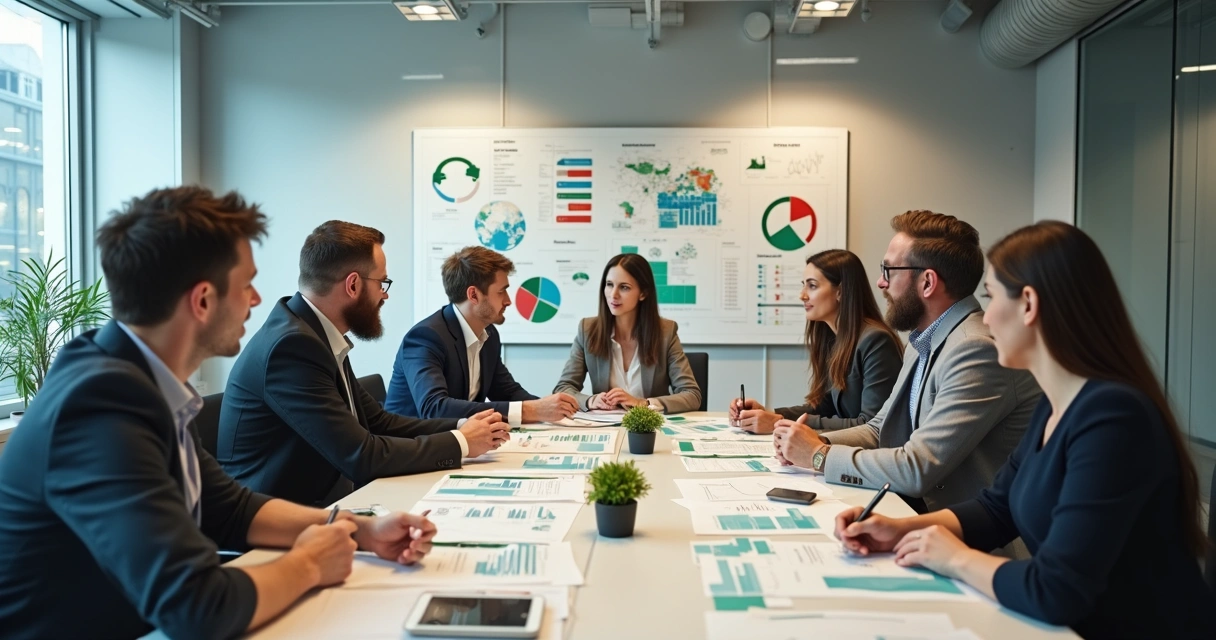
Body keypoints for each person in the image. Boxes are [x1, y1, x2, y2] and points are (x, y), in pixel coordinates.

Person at [0, 187, 439, 640]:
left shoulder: (137, 380)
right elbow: (197, 607)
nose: (255, 299)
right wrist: (308, 563)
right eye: (246, 282)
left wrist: (358, 531)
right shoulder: (99, 406)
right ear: (203, 300)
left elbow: (229, 509)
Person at [834, 221, 1216, 638]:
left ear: (1029, 304)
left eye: (992, 296)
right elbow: (997, 510)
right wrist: (901, 529)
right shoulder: (1057, 404)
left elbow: (1057, 589)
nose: (985, 316)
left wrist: (952, 557)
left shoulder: (1115, 419)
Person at [219, 222, 507, 507]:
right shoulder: (292, 346)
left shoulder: (315, 334)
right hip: (280, 521)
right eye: (382, 283)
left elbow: (379, 422)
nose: (386, 295)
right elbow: (359, 455)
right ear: (353, 284)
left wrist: (463, 425)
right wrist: (461, 442)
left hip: (327, 502)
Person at [773, 210, 1041, 513]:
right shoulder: (923, 340)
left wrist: (818, 455)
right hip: (918, 514)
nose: (880, 283)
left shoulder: (976, 349)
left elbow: (916, 469)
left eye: (889, 271)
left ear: (927, 283)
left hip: (965, 534)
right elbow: (879, 429)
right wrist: (812, 440)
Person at [385, 246, 578, 423]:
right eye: (501, 292)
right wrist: (530, 411)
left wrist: (552, 409)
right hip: (413, 449)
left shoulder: (489, 334)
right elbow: (435, 408)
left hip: (459, 444)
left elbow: (506, 392)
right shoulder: (426, 337)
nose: (508, 301)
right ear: (474, 295)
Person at [729, 249, 902, 433]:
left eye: (812, 286)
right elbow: (827, 405)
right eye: (804, 285)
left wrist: (779, 423)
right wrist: (769, 414)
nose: (802, 295)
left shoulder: (876, 341)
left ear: (840, 292)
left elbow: (871, 425)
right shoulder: (837, 338)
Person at [554, 253, 702, 412]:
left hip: (649, 429)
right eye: (609, 284)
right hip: (605, 427)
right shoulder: (588, 330)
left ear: (643, 293)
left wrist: (643, 403)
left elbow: (692, 395)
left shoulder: (665, 333)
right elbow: (563, 388)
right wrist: (591, 401)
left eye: (624, 287)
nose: (613, 294)